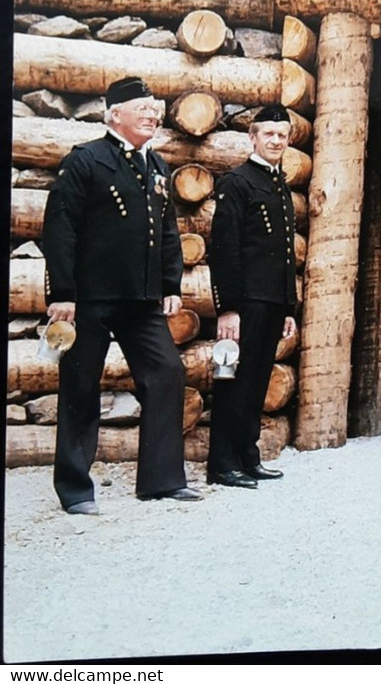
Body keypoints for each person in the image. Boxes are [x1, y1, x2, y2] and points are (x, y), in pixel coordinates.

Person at [42, 76, 202, 514]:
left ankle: (162, 481)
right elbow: (60, 228)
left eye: (156, 109)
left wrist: (170, 285)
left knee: (167, 372)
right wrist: (63, 293)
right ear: (114, 115)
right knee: (79, 385)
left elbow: (168, 232)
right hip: (89, 299)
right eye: (143, 109)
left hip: (140, 300)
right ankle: (75, 490)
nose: (153, 115)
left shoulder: (157, 167)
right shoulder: (85, 161)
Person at [206, 103, 298, 489]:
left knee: (257, 381)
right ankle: (222, 464)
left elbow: (287, 253)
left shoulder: (280, 187)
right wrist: (228, 309)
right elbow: (224, 250)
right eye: (269, 134)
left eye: (282, 135)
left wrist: (289, 307)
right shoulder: (237, 183)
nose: (276, 141)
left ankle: (248, 456)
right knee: (235, 382)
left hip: (273, 302)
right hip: (245, 303)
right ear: (253, 137)